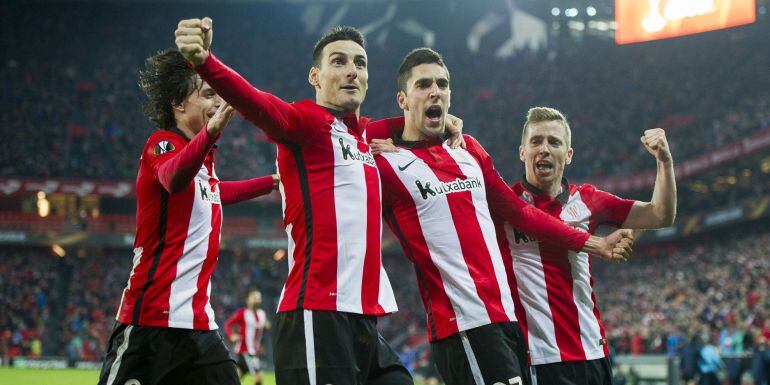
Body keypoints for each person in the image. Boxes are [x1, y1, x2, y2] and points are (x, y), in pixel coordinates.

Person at [174, 19, 467, 385]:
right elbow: (256, 103)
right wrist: (205, 62)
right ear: (315, 77)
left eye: (360, 64)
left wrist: (440, 121)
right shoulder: (306, 123)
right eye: (339, 62)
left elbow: (402, 125)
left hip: (362, 320)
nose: (351, 71)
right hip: (316, 313)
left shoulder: (364, 135)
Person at [372, 48, 633, 385]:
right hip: (465, 324)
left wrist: (591, 243)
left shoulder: (468, 150)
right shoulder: (387, 161)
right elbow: (347, 133)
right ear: (402, 99)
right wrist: (397, 126)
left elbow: (521, 212)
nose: (435, 91)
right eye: (423, 85)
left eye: (442, 84)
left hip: (507, 321)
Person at [97, 49, 278, 385]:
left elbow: (216, 193)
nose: (217, 101)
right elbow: (172, 179)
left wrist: (272, 182)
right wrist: (208, 134)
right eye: (207, 93)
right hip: (149, 323)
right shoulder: (161, 144)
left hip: (198, 327)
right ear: (178, 104)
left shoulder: (205, 165)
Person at [497, 106, 677, 385]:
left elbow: (660, 214)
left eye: (554, 142)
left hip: (593, 351)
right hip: (540, 359)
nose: (544, 149)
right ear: (522, 152)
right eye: (536, 141)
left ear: (568, 155)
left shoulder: (589, 201)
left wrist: (664, 162)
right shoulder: (504, 207)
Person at [224, 290, 270, 385]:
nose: (256, 300)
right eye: (254, 297)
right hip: (245, 350)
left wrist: (265, 327)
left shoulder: (262, 314)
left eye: (258, 298)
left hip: (254, 351)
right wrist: (231, 335)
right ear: (248, 300)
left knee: (237, 376)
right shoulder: (243, 313)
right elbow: (228, 324)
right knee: (258, 378)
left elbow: (262, 328)